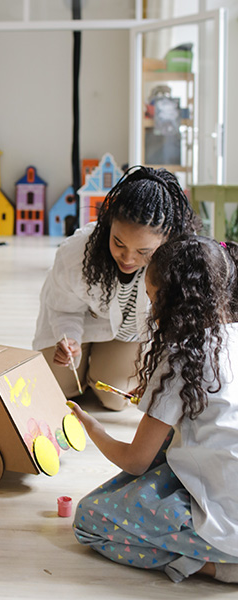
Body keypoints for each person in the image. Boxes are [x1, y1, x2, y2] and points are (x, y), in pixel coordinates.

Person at [71, 234, 238, 584]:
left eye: (152, 298)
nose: (151, 310)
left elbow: (136, 460)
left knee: (90, 521)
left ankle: (215, 566)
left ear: (172, 302)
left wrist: (94, 430)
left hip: (227, 528)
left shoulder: (181, 355)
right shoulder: (231, 336)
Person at [32, 166, 197, 410]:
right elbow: (64, 308)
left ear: (167, 239)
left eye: (143, 252)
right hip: (82, 322)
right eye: (118, 243)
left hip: (130, 334)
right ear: (108, 223)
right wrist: (70, 339)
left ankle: (95, 372)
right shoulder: (78, 253)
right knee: (55, 387)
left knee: (115, 397)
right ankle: (85, 370)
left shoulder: (178, 266)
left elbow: (179, 327)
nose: (128, 258)